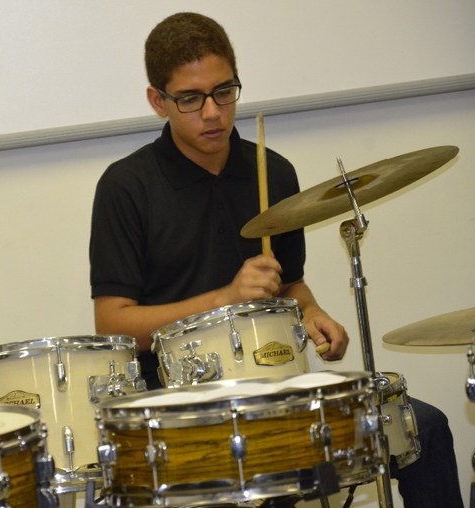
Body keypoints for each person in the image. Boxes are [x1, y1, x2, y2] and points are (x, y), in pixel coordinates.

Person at [89, 12, 463, 508]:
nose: (213, 113)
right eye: (190, 99)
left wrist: (311, 311)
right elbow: (112, 323)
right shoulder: (126, 187)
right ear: (158, 101)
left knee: (426, 428)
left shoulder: (272, 172)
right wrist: (223, 299)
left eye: (225, 92)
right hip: (181, 404)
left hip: (274, 381)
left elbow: (289, 284)